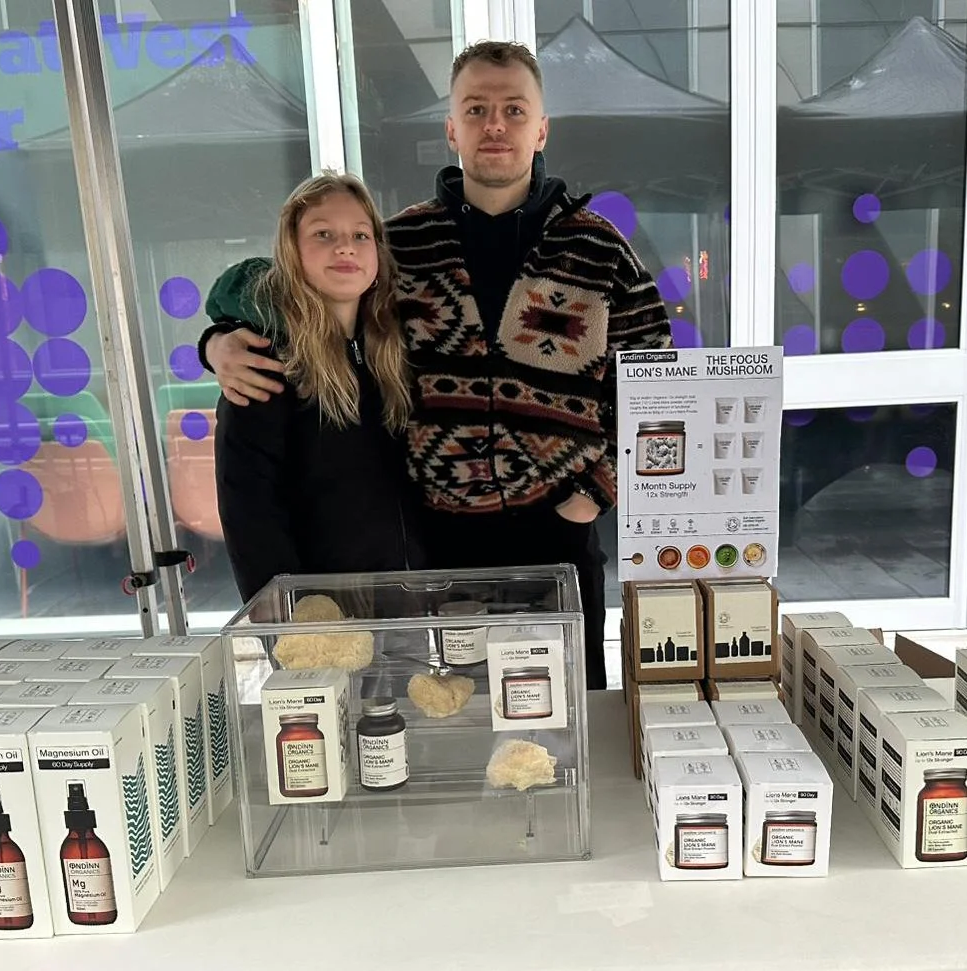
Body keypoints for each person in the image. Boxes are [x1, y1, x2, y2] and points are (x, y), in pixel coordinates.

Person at [199, 42, 672, 687]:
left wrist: (593, 497)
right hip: (435, 545)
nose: (495, 125)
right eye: (476, 109)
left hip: (559, 534)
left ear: (542, 129)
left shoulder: (599, 250)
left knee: (568, 724)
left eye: (513, 109)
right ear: (452, 128)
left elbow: (658, 392)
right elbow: (296, 286)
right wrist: (220, 339)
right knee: (450, 718)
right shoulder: (401, 245)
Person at [210, 172, 424, 603]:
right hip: (318, 606)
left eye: (360, 235)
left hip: (412, 593)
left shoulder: (397, 351)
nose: (345, 247)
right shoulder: (265, 363)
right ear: (292, 251)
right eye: (323, 234)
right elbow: (248, 503)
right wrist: (280, 604)